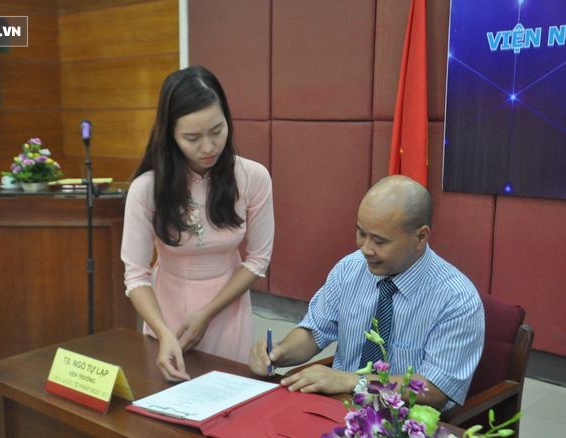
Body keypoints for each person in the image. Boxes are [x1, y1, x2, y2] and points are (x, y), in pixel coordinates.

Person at [249, 175, 484, 411]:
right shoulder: (349, 269)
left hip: (407, 423)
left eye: (380, 242)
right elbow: (314, 333)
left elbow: (435, 389)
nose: (365, 249)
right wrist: (279, 352)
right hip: (340, 407)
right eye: (361, 233)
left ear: (420, 237)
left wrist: (353, 381)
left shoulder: (457, 300)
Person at [122, 65, 274, 382]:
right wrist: (163, 333)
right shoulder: (146, 189)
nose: (208, 148)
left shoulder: (253, 178)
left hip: (227, 309)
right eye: (192, 137)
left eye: (217, 131)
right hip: (165, 310)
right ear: (170, 135)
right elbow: (136, 275)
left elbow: (258, 259)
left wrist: (207, 313)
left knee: (225, 402)